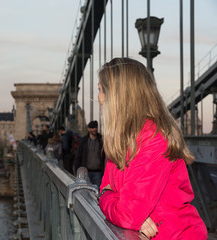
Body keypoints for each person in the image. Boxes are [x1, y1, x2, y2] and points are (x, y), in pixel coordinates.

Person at [97, 58, 207, 239]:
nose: (99, 99)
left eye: (101, 90)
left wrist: (109, 198)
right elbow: (106, 190)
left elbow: (126, 213)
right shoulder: (121, 141)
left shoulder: (152, 139)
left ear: (119, 95)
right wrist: (110, 197)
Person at [74, 120, 105, 187]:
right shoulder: (83, 141)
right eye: (92, 128)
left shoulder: (101, 141)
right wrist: (77, 172)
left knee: (97, 193)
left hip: (98, 173)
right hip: (86, 173)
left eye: (96, 127)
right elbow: (78, 157)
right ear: (88, 129)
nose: (95, 129)